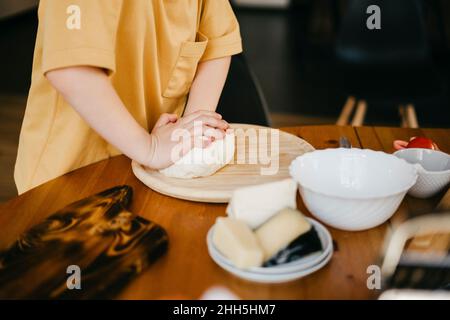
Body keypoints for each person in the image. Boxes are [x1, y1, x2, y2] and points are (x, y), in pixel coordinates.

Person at [15, 0, 242, 194]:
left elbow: (218, 42)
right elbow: (72, 70)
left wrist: (191, 133)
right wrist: (150, 149)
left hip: (148, 174)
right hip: (69, 178)